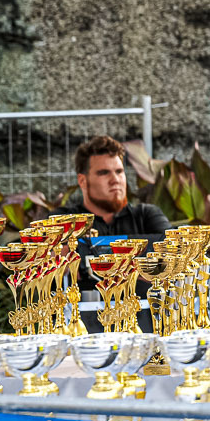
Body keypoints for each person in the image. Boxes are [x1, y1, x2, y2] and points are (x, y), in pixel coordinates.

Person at [56, 135, 171, 333]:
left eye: (119, 171)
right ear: (82, 180)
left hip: (147, 331)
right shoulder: (64, 219)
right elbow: (49, 264)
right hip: (83, 334)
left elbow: (171, 258)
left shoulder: (147, 215)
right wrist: (139, 261)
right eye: (104, 173)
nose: (115, 179)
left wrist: (89, 258)